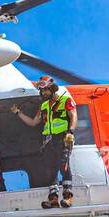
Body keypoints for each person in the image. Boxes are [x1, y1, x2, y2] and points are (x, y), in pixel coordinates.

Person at [11, 75, 77, 208]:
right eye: (42, 91)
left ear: (52, 88)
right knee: (50, 169)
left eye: (46, 90)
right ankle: (53, 199)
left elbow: (73, 115)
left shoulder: (65, 100)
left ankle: (68, 197)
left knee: (64, 165)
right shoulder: (44, 106)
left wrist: (70, 132)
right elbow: (33, 122)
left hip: (63, 138)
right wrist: (18, 113)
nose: (43, 93)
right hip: (48, 141)